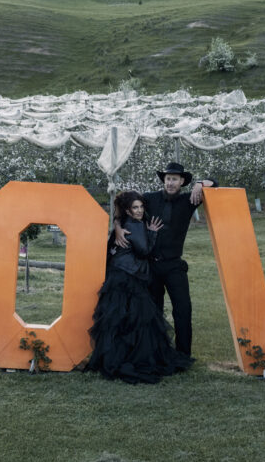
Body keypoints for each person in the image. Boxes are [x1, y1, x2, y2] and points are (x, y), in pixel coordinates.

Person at [88, 191, 193, 383]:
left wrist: (117, 225)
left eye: (141, 207)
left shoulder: (127, 222)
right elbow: (144, 251)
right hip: (129, 276)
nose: (140, 210)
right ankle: (137, 357)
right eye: (135, 208)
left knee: (122, 320)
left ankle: (121, 356)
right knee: (138, 319)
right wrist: (152, 232)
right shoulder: (135, 226)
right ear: (128, 210)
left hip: (119, 274)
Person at [114, 162, 214, 357]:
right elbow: (123, 203)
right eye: (168, 179)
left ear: (182, 181)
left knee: (183, 309)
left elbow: (215, 183)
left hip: (174, 265)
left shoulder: (189, 200)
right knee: (153, 310)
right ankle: (157, 351)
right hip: (151, 266)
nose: (170, 183)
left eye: (174, 179)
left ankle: (183, 353)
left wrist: (200, 183)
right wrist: (117, 227)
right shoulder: (150, 198)